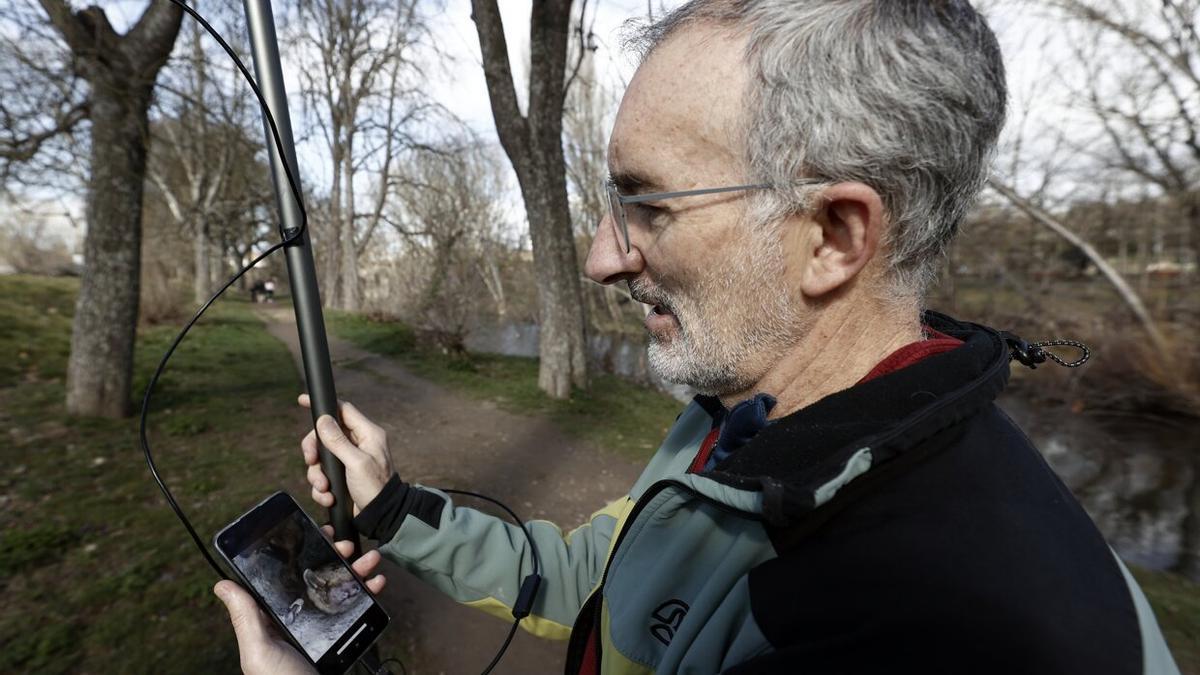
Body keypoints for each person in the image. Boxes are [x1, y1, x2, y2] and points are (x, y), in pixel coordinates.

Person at [219, 1, 1181, 673]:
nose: (603, 256)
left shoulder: (935, 626)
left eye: (648, 203)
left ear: (834, 236)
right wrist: (390, 510)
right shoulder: (745, 418)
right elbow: (596, 575)